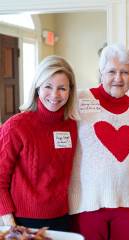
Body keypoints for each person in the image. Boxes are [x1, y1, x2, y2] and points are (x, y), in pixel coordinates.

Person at [69, 44, 129, 240]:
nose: (118, 78)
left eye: (125, 72)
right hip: (89, 202)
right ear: (101, 72)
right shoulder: (80, 100)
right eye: (112, 71)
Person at [0, 55, 79, 231]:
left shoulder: (72, 125)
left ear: (70, 91)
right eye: (48, 86)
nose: (54, 95)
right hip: (22, 221)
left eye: (62, 88)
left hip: (62, 218)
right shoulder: (15, 126)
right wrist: (10, 224)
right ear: (37, 87)